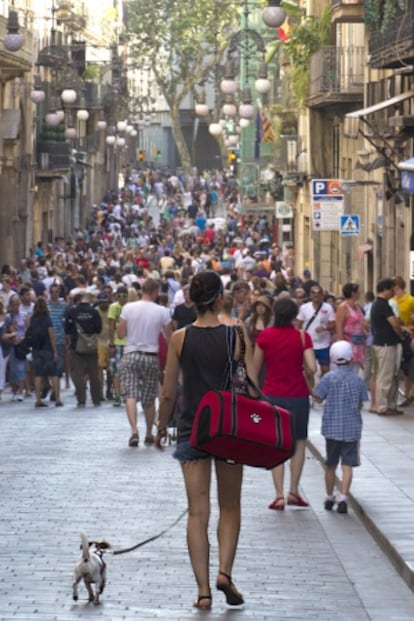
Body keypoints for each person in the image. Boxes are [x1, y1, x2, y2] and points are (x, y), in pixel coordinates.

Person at [155, 270, 255, 610]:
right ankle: (224, 572)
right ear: (219, 297)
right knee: (230, 506)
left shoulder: (180, 338)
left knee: (198, 513)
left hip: (193, 428)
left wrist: (158, 426)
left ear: (193, 300)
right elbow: (251, 384)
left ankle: (202, 592)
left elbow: (169, 391)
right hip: (230, 429)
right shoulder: (237, 334)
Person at [253, 296, 317, 511]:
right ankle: (293, 491)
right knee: (299, 442)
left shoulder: (265, 337)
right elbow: (312, 367)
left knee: (276, 443)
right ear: (293, 315)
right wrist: (305, 371)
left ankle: (278, 494)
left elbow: (254, 369)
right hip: (297, 395)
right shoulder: (302, 337)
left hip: (272, 395)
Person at [313, 340, 368, 514]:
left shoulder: (329, 378)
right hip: (352, 429)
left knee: (330, 464)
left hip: (332, 428)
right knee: (347, 465)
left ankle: (329, 497)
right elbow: (361, 403)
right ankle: (343, 496)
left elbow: (318, 397)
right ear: (351, 358)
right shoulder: (357, 380)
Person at [117, 278, 173, 447]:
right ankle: (149, 432)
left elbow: (120, 333)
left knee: (130, 394)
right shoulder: (162, 311)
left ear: (142, 290)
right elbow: (170, 336)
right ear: (156, 292)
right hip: (150, 356)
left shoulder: (128, 308)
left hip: (131, 354)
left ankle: (134, 431)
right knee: (149, 398)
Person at [370, 278, 406, 416]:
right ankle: (383, 406)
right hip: (385, 344)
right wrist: (401, 335)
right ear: (385, 289)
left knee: (392, 375)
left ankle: (390, 404)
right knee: (385, 376)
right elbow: (394, 324)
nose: (393, 292)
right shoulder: (382, 305)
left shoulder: (379, 304)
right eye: (391, 289)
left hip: (386, 343)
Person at [64, 292, 102, 407]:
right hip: (92, 347)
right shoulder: (94, 312)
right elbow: (98, 329)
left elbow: (67, 329)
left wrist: (69, 343)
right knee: (94, 374)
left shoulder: (72, 312)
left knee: (78, 374)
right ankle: (96, 399)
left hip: (77, 346)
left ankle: (81, 400)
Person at [28, 297, 62, 407]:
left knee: (38, 375)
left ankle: (38, 399)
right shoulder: (47, 319)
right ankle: (57, 399)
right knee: (54, 374)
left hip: (37, 350)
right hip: (47, 350)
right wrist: (55, 351)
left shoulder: (32, 319)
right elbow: (52, 336)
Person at [296, 284, 335, 378]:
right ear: (310, 295)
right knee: (309, 370)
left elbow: (333, 325)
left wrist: (324, 328)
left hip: (324, 344)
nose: (316, 295)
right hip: (308, 344)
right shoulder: (304, 308)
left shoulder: (328, 307)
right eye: (313, 293)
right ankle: (311, 390)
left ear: (322, 295)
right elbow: (299, 326)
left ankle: (323, 389)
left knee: (325, 370)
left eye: (318, 293)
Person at [335, 282, 366, 372]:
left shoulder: (357, 306)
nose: (360, 293)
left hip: (359, 343)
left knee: (356, 370)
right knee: (348, 369)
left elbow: (361, 323)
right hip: (348, 342)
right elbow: (339, 327)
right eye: (358, 291)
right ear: (353, 293)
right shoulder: (343, 308)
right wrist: (342, 346)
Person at [108, 285, 128, 406]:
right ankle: (117, 394)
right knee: (116, 371)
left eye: (124, 296)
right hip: (117, 342)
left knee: (127, 371)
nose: (122, 298)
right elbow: (111, 326)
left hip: (128, 343)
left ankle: (125, 393)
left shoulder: (129, 307)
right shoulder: (113, 307)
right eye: (119, 296)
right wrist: (111, 343)